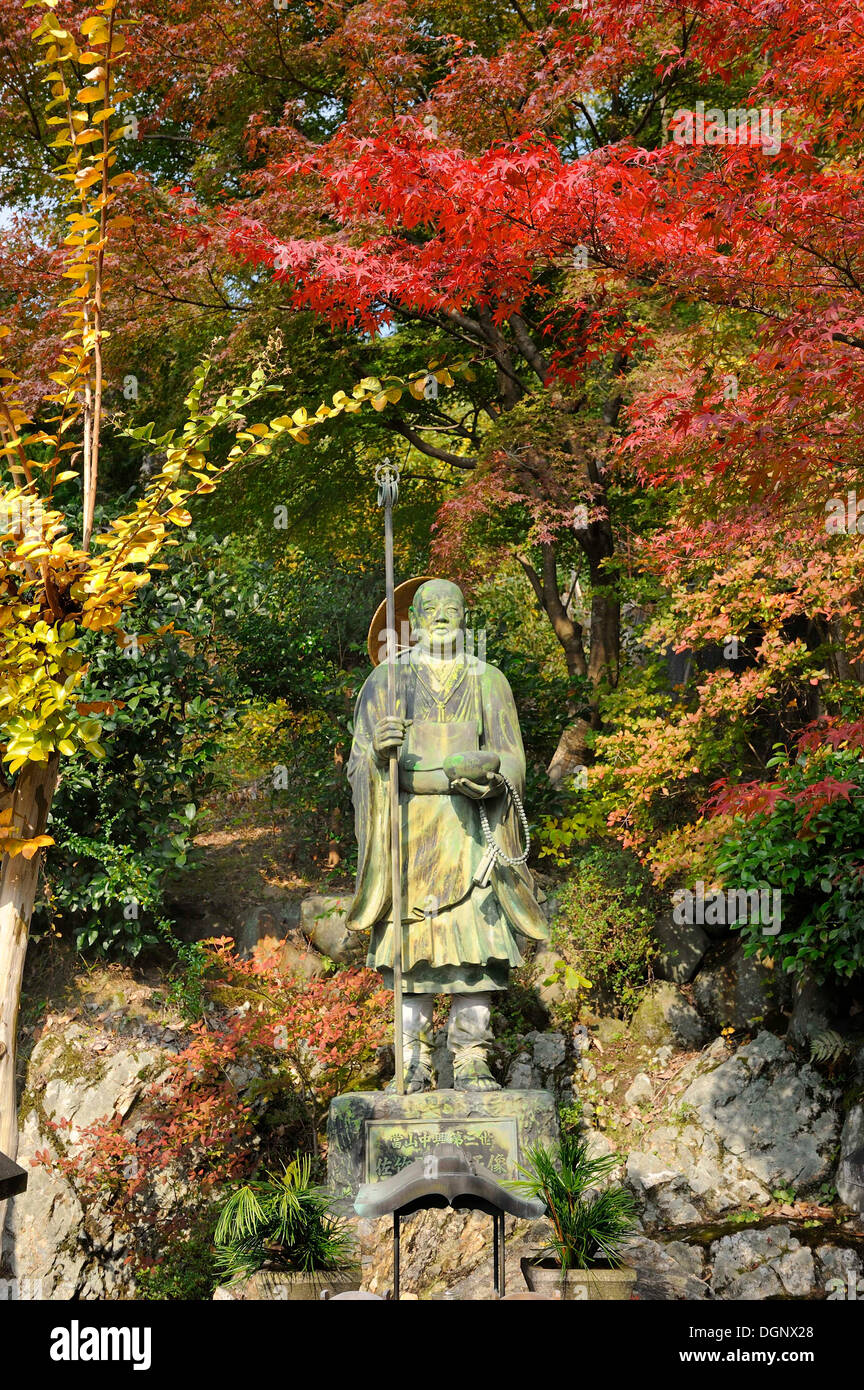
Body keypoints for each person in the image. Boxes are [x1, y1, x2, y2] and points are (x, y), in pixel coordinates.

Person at [346, 578, 548, 1091]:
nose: (441, 615)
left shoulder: (489, 680)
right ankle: (410, 1062)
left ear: (465, 616)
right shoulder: (386, 681)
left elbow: (514, 756)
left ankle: (472, 1058)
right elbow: (357, 763)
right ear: (411, 618)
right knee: (411, 953)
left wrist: (493, 778)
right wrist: (376, 755)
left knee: (473, 952)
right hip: (410, 832)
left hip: (471, 832)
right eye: (430, 607)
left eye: (451, 607)